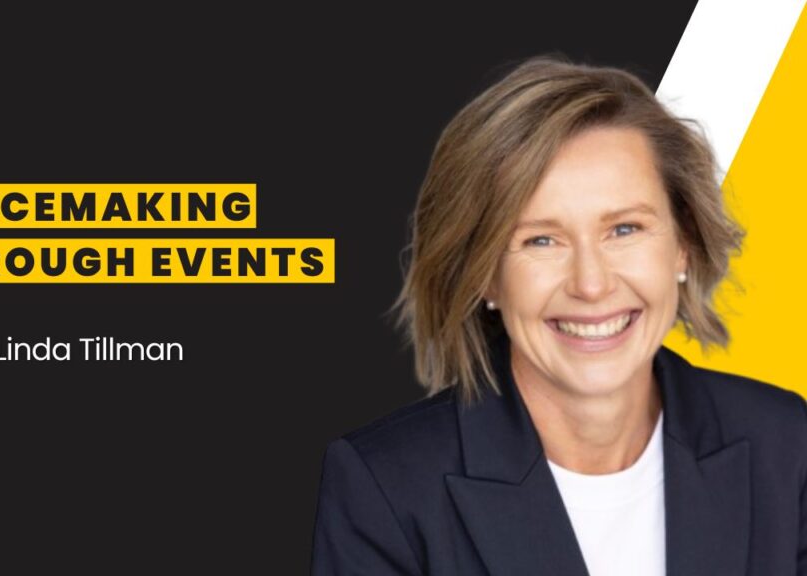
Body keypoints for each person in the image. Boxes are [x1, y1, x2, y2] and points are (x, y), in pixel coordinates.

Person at [311, 55, 807, 576]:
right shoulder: (385, 487)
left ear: (682, 244)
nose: (591, 285)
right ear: (484, 274)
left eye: (625, 229)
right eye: (540, 240)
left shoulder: (785, 444)